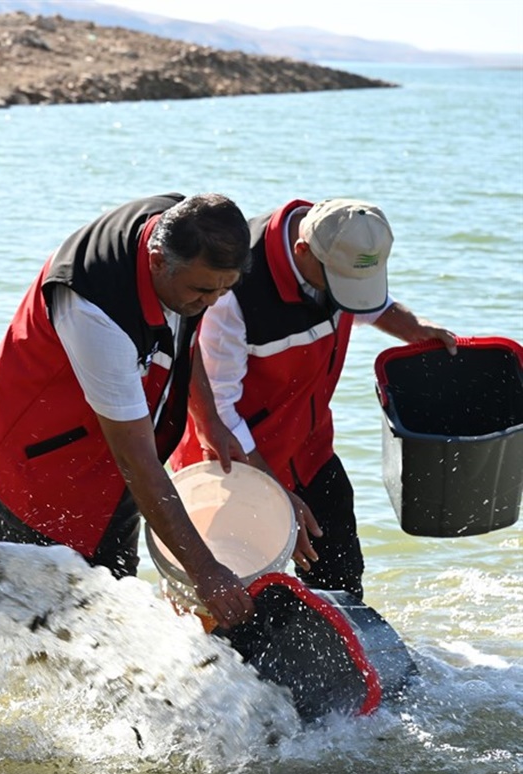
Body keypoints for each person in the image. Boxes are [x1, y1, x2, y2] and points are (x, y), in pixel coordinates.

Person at [0, 193, 257, 628]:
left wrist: (208, 418)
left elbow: (182, 339)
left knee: (114, 605)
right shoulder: (95, 308)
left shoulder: (184, 233)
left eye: (224, 289)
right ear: (156, 260)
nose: (211, 302)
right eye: (202, 290)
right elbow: (136, 461)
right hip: (31, 458)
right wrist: (206, 571)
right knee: (50, 623)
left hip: (107, 457)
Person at [170, 198, 456, 603]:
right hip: (233, 465)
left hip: (309, 449)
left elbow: (367, 302)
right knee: (231, 602)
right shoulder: (234, 292)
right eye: (340, 284)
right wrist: (275, 495)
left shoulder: (344, 247)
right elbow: (216, 412)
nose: (350, 297)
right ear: (303, 252)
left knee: (342, 585)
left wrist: (415, 327)